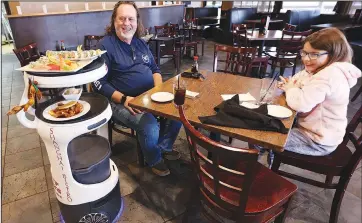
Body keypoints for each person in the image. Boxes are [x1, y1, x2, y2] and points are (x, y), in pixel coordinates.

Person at [93, 1, 182, 176]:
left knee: (178, 110)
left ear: (136, 22)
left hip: (148, 97)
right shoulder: (104, 46)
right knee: (148, 124)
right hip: (120, 101)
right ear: (114, 21)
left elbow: (155, 70)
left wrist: (158, 90)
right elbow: (99, 83)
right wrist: (125, 99)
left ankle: (162, 148)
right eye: (122, 18)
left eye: (131, 19)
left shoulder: (140, 43)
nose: (126, 23)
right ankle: (154, 159)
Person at [276, 27, 361, 158]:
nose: (306, 59)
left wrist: (290, 88)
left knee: (266, 139)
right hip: (320, 134)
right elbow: (297, 79)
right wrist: (291, 85)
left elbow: (300, 104)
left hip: (318, 140)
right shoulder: (319, 69)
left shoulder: (329, 75)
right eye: (304, 53)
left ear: (333, 54)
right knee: (271, 126)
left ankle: (258, 174)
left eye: (314, 54)